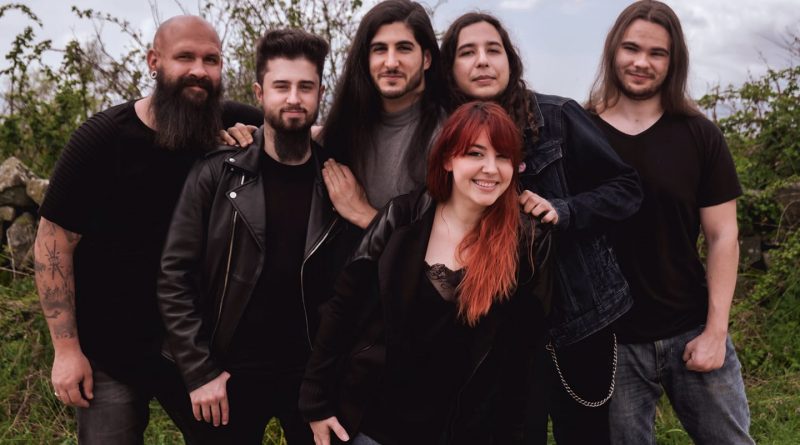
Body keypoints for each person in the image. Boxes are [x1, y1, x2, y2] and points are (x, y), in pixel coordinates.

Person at [32, 15, 262, 444]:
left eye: (211, 59)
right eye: (185, 57)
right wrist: (66, 350)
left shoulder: (237, 124)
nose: (199, 70)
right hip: (110, 349)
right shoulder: (102, 139)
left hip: (195, 349)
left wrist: (260, 142)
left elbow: (307, 137)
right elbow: (53, 242)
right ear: (154, 62)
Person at [440, 12, 643, 444]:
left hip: (580, 317)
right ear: (450, 68)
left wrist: (564, 210)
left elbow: (627, 189)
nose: (482, 60)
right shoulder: (445, 136)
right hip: (500, 330)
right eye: (467, 52)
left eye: (493, 50)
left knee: (585, 436)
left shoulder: (557, 117)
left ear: (510, 60)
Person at [299, 101, 547, 445]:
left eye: (503, 157)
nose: (491, 169)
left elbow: (520, 359)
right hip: (372, 425)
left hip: (460, 434)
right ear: (448, 159)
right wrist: (315, 400)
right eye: (475, 154)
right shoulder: (402, 217)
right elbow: (344, 306)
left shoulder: (526, 243)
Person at [157, 29, 351, 444]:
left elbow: (347, 291)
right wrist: (199, 370)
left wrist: (329, 381)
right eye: (281, 86)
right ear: (259, 93)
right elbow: (175, 276)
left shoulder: (338, 181)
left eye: (306, 87)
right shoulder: (217, 172)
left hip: (309, 377)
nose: (294, 98)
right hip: (227, 375)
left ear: (321, 93)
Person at [585, 2, 754, 444]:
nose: (641, 62)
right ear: (613, 50)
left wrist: (716, 331)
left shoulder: (700, 134)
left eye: (656, 53)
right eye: (631, 48)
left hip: (691, 329)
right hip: (613, 344)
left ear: (673, 60)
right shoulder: (580, 130)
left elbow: (723, 235)